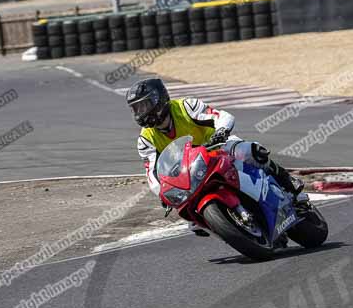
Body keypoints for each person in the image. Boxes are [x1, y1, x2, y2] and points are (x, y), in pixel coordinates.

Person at [126, 77, 304, 236]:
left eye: (144, 105)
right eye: (136, 109)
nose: (141, 112)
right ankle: (224, 224)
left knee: (251, 152)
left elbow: (222, 116)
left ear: (159, 99)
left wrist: (221, 131)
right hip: (189, 172)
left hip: (218, 147)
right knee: (190, 220)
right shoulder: (145, 139)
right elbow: (152, 174)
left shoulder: (185, 106)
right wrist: (163, 194)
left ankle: (288, 183)